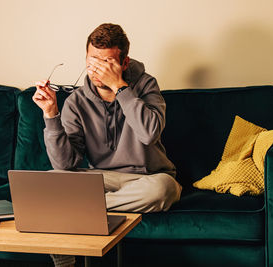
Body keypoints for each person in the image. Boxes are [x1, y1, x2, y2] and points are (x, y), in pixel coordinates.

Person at [32, 23, 182, 267]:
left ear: (124, 63)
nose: (98, 70)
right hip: (100, 178)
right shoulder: (77, 101)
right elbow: (65, 164)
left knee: (164, 189)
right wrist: (51, 115)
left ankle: (76, 211)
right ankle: (65, 258)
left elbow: (148, 133)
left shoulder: (146, 86)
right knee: (52, 180)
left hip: (147, 178)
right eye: (92, 62)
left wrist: (120, 87)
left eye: (107, 63)